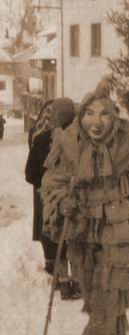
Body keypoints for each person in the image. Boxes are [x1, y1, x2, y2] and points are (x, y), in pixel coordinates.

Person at [40, 80, 129, 335]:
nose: (96, 122)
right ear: (80, 115)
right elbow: (52, 182)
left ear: (114, 118)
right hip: (82, 222)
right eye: (89, 114)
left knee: (112, 280)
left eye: (104, 115)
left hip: (117, 223)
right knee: (89, 281)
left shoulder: (127, 142)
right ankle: (99, 331)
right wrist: (62, 201)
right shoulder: (69, 141)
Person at [25, 98, 81, 300]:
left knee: (57, 238)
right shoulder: (80, 139)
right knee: (74, 238)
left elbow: (30, 174)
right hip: (72, 198)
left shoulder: (42, 139)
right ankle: (76, 283)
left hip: (50, 200)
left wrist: (48, 182)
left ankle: (64, 284)